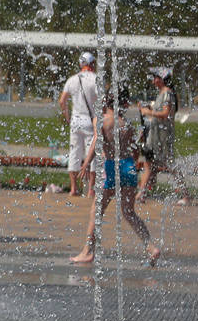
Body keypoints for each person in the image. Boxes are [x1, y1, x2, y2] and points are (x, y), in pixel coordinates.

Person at [69, 88, 161, 265]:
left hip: (112, 167)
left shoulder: (102, 120)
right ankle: (150, 247)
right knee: (128, 212)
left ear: (106, 102)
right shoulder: (126, 123)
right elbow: (135, 152)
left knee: (96, 211)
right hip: (129, 167)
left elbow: (97, 141)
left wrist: (86, 163)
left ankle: (88, 252)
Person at [138, 67, 191, 204]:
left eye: (155, 77)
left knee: (171, 165)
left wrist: (148, 112)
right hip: (155, 134)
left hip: (163, 136)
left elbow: (165, 114)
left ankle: (185, 195)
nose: (153, 80)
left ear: (162, 79)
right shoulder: (162, 93)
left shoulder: (168, 93)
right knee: (148, 163)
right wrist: (148, 110)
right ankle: (141, 193)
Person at [59, 52, 99, 198]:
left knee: (74, 153)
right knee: (92, 154)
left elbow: (62, 101)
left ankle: (74, 188)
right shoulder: (95, 79)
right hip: (90, 120)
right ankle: (90, 190)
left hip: (75, 121)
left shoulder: (72, 79)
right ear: (92, 64)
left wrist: (67, 117)